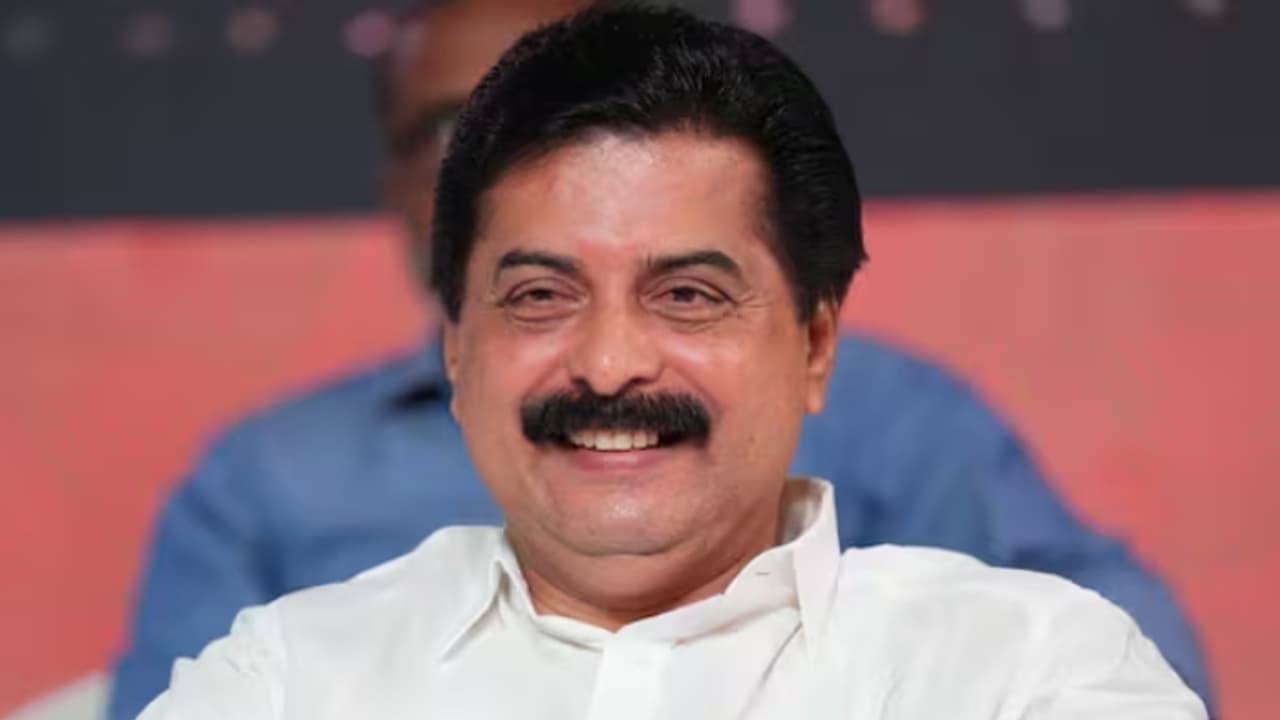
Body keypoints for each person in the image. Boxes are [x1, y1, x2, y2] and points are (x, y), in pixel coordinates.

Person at [107, 0, 1213, 717]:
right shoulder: (284, 676)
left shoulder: (1024, 670)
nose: (607, 364)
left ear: (814, 343)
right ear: (459, 343)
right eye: (539, 297)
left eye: (688, 296)